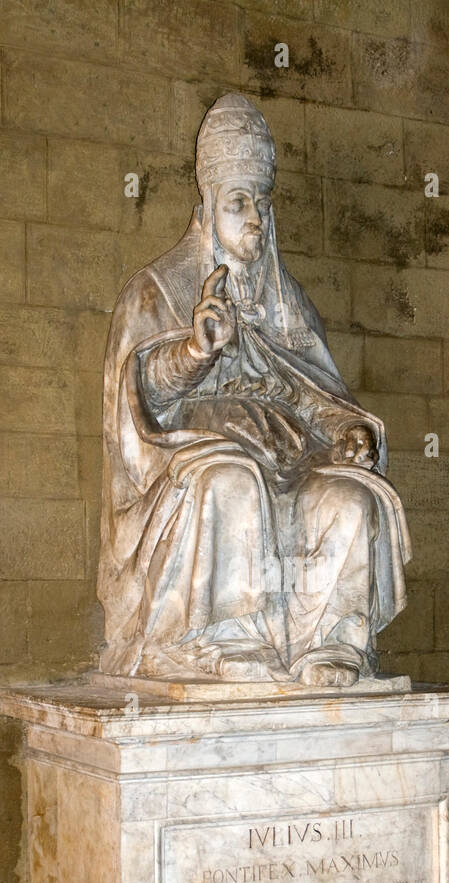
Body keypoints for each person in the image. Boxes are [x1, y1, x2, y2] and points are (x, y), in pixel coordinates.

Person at [97, 93, 410, 688]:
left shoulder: (288, 305)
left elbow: (314, 392)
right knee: (231, 479)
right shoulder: (156, 291)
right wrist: (195, 351)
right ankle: (217, 637)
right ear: (208, 207)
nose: (256, 220)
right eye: (239, 203)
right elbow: (136, 409)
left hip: (291, 462)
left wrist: (348, 430)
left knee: (352, 498)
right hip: (193, 464)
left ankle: (333, 640)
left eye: (262, 205)